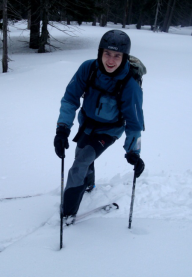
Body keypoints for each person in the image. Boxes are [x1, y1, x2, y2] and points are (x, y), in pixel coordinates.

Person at [53, 29, 145, 225]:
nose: (110, 60)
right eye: (107, 54)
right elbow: (70, 99)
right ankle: (88, 184)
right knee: (82, 154)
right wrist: (62, 129)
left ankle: (67, 215)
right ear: (100, 53)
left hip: (109, 130)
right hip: (86, 123)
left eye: (117, 56)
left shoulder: (130, 85)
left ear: (124, 57)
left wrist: (133, 152)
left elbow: (134, 122)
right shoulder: (88, 69)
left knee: (81, 162)